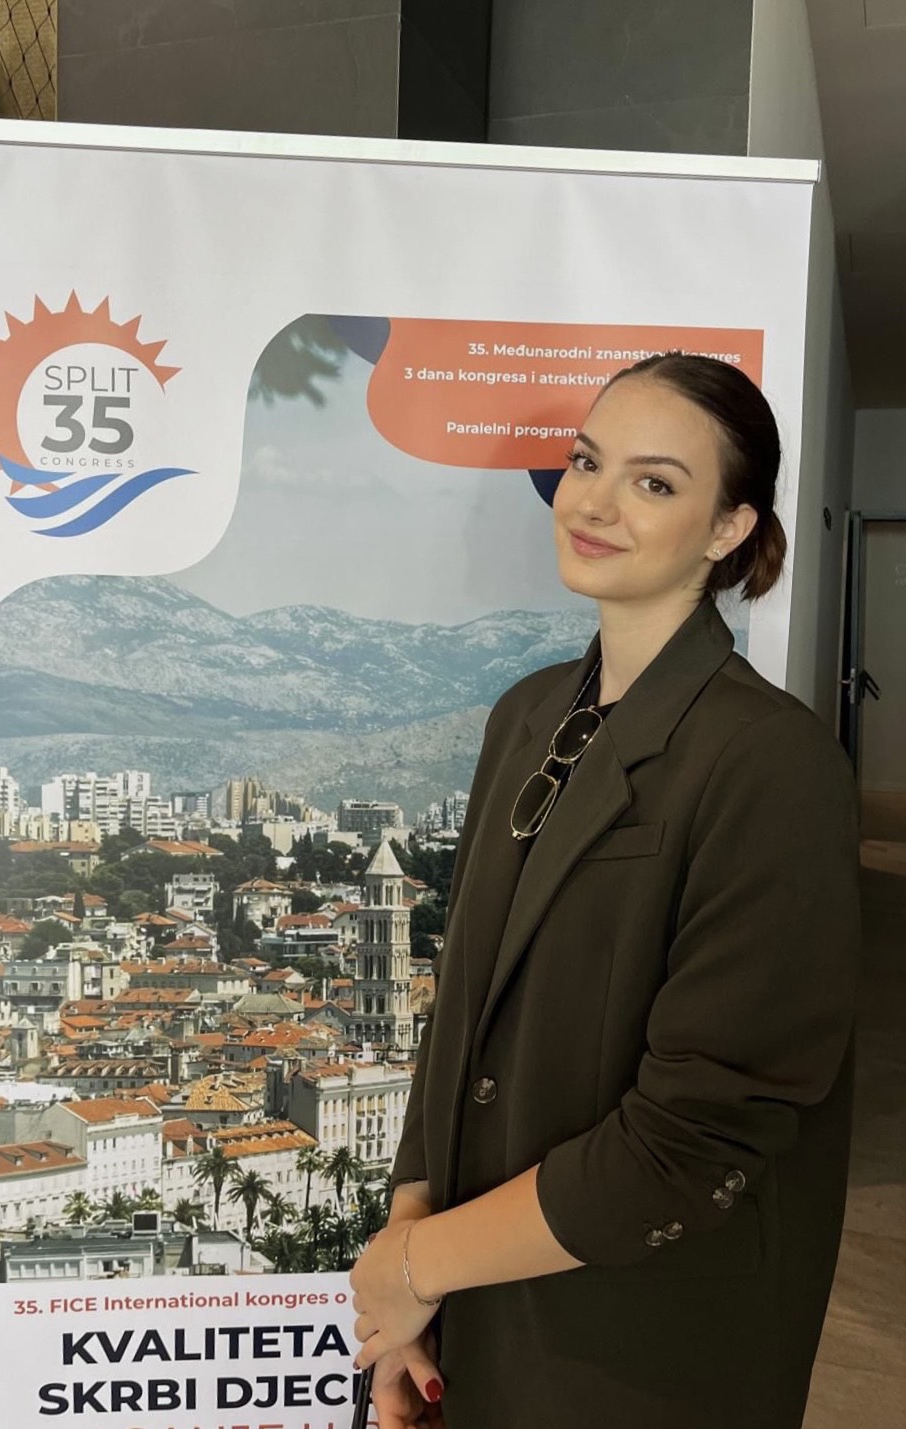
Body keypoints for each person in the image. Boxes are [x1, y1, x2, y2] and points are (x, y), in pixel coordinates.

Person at [349, 353, 861, 1429]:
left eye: (654, 482)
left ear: (728, 528)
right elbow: (460, 1008)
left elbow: (695, 1136)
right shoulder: (525, 716)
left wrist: (419, 1263)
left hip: (632, 1344)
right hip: (467, 1306)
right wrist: (407, 1271)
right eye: (587, 463)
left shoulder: (773, 761)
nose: (593, 502)